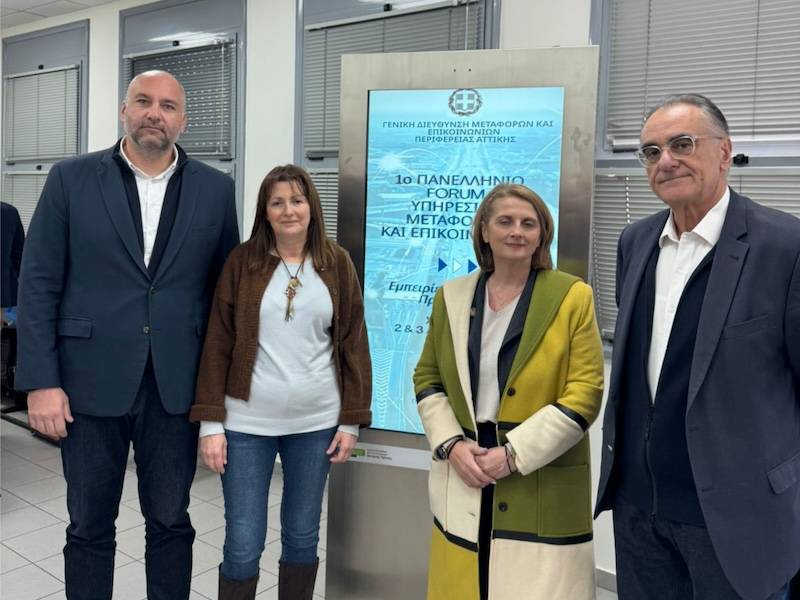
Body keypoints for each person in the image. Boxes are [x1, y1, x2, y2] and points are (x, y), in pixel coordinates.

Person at [15, 70, 239, 600]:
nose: (154, 113)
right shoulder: (70, 179)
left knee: (171, 521)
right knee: (89, 524)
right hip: (86, 386)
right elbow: (38, 282)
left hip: (175, 388)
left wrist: (217, 398)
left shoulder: (215, 189)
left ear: (183, 121)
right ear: (125, 110)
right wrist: (41, 382)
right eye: (143, 101)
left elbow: (224, 298)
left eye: (167, 106)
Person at [595, 94, 800, 600]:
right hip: (639, 510)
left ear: (724, 152)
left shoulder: (784, 246)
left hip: (737, 516)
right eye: (651, 151)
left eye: (682, 144)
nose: (665, 160)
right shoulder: (635, 242)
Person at [414, 183, 604, 600]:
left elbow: (586, 391)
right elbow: (427, 376)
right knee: (465, 579)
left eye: (528, 223)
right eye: (505, 221)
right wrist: (452, 446)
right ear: (484, 231)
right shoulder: (452, 297)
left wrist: (513, 455)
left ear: (542, 234)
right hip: (465, 462)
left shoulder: (572, 297)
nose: (517, 231)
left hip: (537, 466)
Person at [190, 164, 372, 600]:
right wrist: (211, 424)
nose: (288, 210)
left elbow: (353, 343)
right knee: (243, 542)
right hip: (246, 425)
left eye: (297, 200)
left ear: (311, 206)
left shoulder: (336, 263)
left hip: (316, 424)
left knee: (303, 536)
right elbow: (218, 342)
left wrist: (351, 420)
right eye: (277, 202)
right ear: (265, 212)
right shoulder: (243, 262)